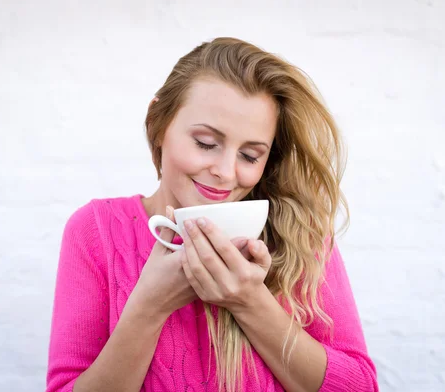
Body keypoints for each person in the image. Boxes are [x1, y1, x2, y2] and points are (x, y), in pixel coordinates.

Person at [45, 37, 378, 392]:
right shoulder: (96, 231)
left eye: (250, 155)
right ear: (159, 124)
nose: (225, 171)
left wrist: (249, 301)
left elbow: (360, 387)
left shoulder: (301, 233)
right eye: (206, 143)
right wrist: (149, 307)